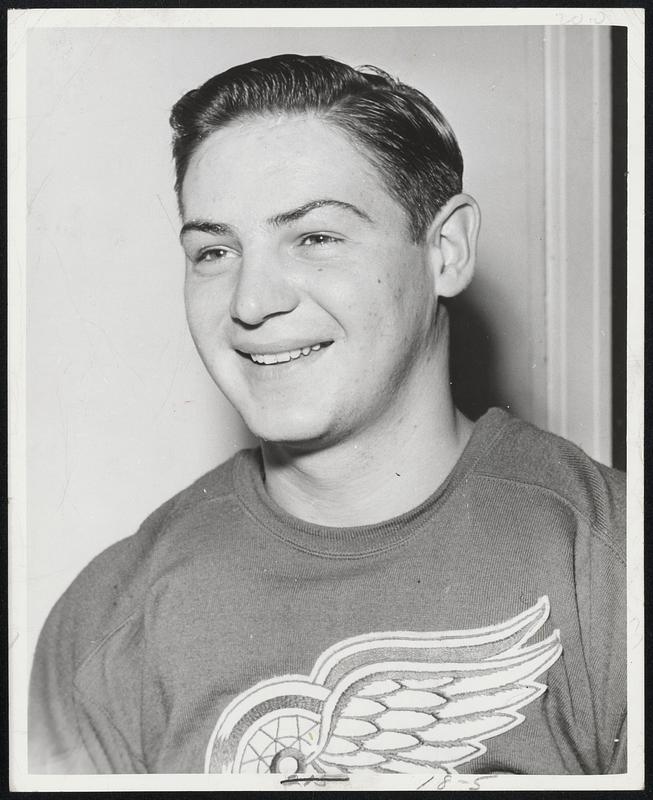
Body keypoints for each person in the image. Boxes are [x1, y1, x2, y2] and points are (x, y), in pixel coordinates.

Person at [29, 54, 626, 776]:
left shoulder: (609, 563)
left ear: (444, 249)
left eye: (314, 237)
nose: (251, 302)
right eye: (215, 251)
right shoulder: (106, 620)